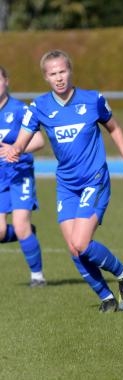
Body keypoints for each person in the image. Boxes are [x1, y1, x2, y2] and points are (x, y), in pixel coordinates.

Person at [2, 50, 123, 312]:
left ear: (70, 71)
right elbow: (23, 136)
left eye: (62, 71)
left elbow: (115, 128)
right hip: (66, 184)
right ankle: (106, 297)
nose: (59, 78)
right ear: (46, 77)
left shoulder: (92, 100)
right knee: (73, 249)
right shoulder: (39, 106)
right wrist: (15, 149)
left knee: (81, 242)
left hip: (94, 179)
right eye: (53, 74)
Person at [0, 66, 46, 287]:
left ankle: (37, 276)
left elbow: (38, 141)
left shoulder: (19, 110)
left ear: (6, 81)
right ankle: (26, 233)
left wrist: (15, 150)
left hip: (20, 174)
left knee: (20, 224)